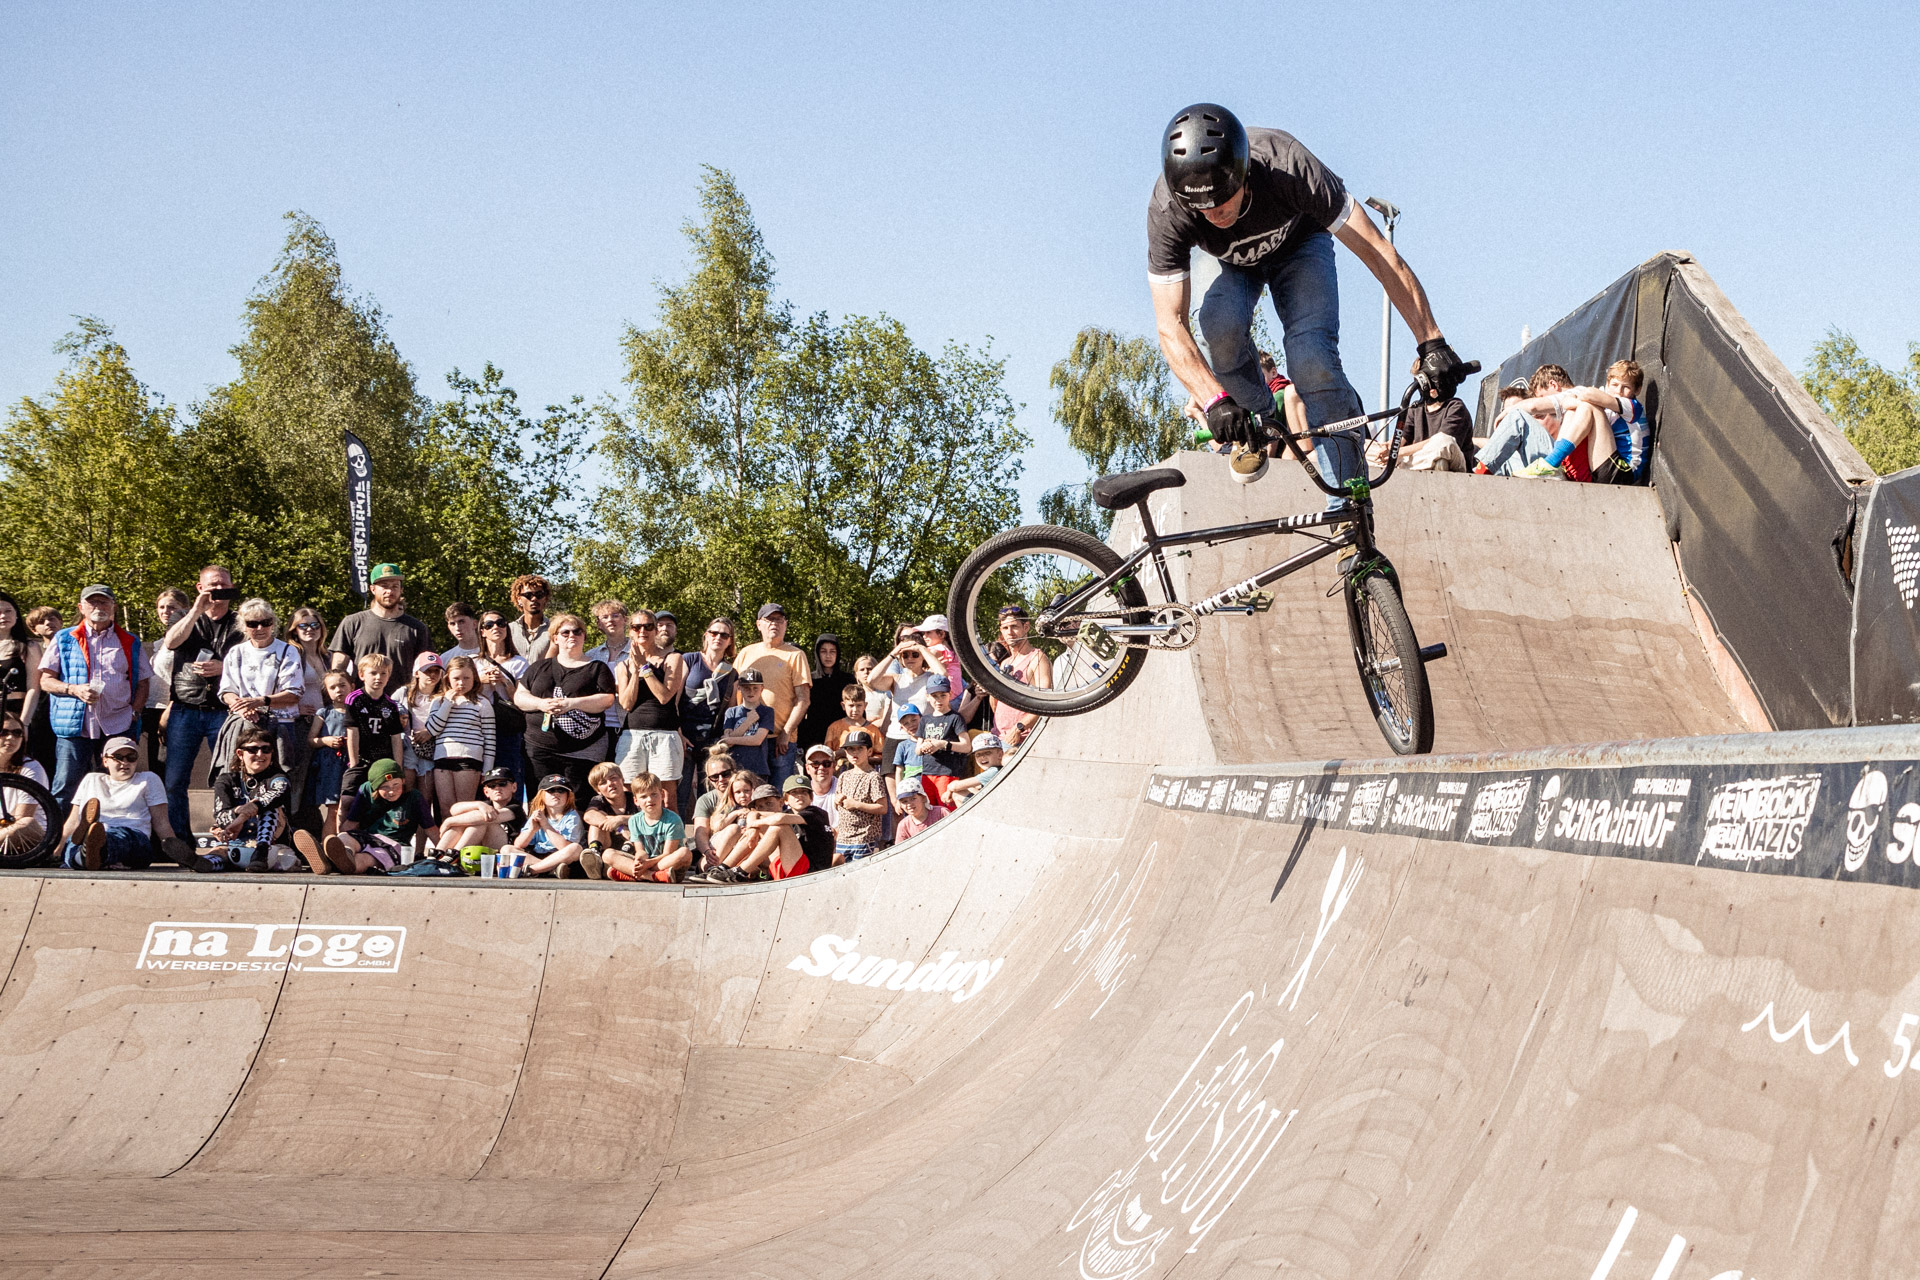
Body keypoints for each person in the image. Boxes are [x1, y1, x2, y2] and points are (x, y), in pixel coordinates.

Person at [1146, 104, 1468, 500]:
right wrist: (1215, 401)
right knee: (1218, 326)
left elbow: (1378, 253)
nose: (1215, 214)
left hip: (1301, 246)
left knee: (1311, 357)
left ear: (1244, 173)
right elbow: (1170, 324)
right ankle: (1258, 423)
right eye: (1203, 207)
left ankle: (1348, 503)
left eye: (1224, 200)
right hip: (1234, 265)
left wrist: (1431, 340)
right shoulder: (1168, 209)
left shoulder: (1289, 164)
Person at [39, 585, 152, 809]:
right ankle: (58, 841)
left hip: (118, 725)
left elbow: (143, 682)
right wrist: (74, 689)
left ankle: (110, 839)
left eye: (104, 602)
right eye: (92, 603)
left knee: (116, 787)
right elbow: (45, 681)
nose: (98, 607)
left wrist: (135, 713)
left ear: (113, 607)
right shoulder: (64, 638)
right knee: (65, 786)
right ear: (82, 608)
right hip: (74, 725)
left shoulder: (130, 641)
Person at [161, 565, 243, 820]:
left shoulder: (242, 621)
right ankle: (179, 841)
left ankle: (228, 834)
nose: (218, 590)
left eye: (223, 585)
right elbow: (171, 642)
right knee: (175, 779)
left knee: (228, 776)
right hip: (186, 708)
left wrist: (223, 667)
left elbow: (254, 659)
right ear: (200, 588)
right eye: (213, 585)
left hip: (224, 709)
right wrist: (196, 610)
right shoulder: (185, 617)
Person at [513, 614, 616, 799]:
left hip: (584, 750)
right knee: (542, 803)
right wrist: (541, 703)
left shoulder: (597, 668)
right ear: (555, 638)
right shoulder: (538, 667)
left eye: (577, 632)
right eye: (565, 632)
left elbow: (607, 700)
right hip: (539, 749)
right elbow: (519, 696)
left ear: (584, 636)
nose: (572, 636)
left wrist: (572, 704)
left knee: (580, 804)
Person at [1512, 359, 1651, 484]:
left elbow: (1589, 394)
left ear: (1637, 390)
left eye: (1626, 387)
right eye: (1614, 385)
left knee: (1589, 405)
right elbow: (1566, 402)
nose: (1618, 391)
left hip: (1624, 473)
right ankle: (1556, 465)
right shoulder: (1606, 403)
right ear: (1607, 384)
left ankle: (1551, 463)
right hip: (1604, 466)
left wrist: (1579, 399)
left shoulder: (1632, 406)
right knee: (1575, 409)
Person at [58, 735, 187, 870]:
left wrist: (180, 855)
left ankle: (89, 853)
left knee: (117, 839)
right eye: (118, 757)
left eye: (131, 757)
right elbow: (73, 821)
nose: (125, 762)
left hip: (133, 835)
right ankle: (91, 854)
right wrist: (56, 851)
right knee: (72, 845)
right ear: (105, 761)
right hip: (96, 831)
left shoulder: (148, 779)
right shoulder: (92, 779)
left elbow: (162, 823)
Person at [217, 598, 305, 790]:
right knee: (239, 779)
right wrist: (241, 707)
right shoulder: (236, 652)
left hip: (279, 725)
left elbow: (294, 693)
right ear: (244, 626)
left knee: (280, 781)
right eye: (252, 624)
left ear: (273, 623)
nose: (259, 628)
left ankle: (279, 819)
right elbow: (226, 691)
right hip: (245, 725)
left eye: (265, 622)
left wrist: (259, 702)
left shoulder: (288, 651)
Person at [305, 758, 438, 874]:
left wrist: (445, 853)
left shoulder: (414, 797)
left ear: (403, 780)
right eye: (384, 787)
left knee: (366, 859)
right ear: (375, 787)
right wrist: (339, 838)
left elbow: (431, 830)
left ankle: (333, 864)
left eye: (395, 785)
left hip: (394, 844)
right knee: (346, 838)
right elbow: (352, 823)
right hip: (367, 836)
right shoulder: (366, 790)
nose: (391, 791)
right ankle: (341, 856)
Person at [199, 727, 299, 873]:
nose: (260, 754)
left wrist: (243, 815)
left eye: (266, 749)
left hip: (272, 847)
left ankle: (261, 850)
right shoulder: (226, 780)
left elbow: (275, 795)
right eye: (253, 750)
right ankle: (199, 863)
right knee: (217, 855)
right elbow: (221, 816)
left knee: (270, 806)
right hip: (236, 846)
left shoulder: (279, 778)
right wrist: (237, 812)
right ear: (240, 753)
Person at [734, 603, 810, 786]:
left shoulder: (796, 655)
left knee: (778, 795)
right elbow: (732, 692)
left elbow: (803, 699)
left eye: (779, 619)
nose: (774, 623)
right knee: (748, 793)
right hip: (748, 737)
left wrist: (786, 732)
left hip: (780, 740)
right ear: (759, 624)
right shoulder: (746, 653)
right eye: (769, 619)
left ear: (785, 624)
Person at [614, 609, 687, 787]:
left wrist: (645, 668)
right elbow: (626, 704)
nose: (642, 631)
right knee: (631, 792)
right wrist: (635, 670)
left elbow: (664, 697)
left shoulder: (673, 658)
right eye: (637, 627)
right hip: (632, 734)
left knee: (666, 795)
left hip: (665, 735)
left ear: (655, 630)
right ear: (630, 631)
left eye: (648, 626)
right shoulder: (623, 665)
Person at [677, 617, 736, 818]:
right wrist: (678, 732)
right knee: (679, 794)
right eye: (714, 633)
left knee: (712, 795)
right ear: (706, 635)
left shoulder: (731, 672)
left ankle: (709, 843)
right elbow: (674, 700)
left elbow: (731, 709)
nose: (718, 637)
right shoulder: (689, 659)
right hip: (684, 735)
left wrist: (726, 737)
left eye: (724, 635)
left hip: (712, 739)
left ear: (730, 641)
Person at [1374, 356, 1476, 472]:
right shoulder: (1415, 408)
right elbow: (1401, 438)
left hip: (1453, 465)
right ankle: (1394, 464)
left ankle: (1397, 465)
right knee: (1365, 446)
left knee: (1443, 442)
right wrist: (1387, 447)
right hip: (1418, 460)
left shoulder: (1456, 407)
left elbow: (1439, 443)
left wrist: (1395, 453)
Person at [331, 563, 432, 681]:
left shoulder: (417, 628)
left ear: (401, 590)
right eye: (384, 586)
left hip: (402, 698)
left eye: (395, 586)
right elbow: (338, 667)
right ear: (372, 589)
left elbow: (427, 669)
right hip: (362, 697)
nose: (389, 591)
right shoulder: (352, 622)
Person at [423, 655, 495, 819]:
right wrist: (447, 703)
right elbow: (433, 729)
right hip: (443, 757)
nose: (461, 683)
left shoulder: (482, 703)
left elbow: (490, 739)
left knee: (464, 807)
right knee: (445, 808)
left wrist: (487, 769)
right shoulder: (439, 701)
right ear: (448, 678)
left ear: (474, 678)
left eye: (466, 678)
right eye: (456, 678)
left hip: (468, 760)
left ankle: (464, 844)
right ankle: (448, 844)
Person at [586, 771, 689, 883]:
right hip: (647, 865)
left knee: (684, 853)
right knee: (607, 854)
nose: (649, 800)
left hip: (666, 865)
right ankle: (651, 876)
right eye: (643, 797)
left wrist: (646, 864)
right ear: (636, 801)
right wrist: (639, 859)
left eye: (654, 794)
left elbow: (668, 853)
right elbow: (640, 850)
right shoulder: (635, 820)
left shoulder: (672, 820)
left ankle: (633, 874)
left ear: (662, 794)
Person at [1476, 367, 1574, 478]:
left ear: (1553, 385)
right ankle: (1477, 479)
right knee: (1506, 457)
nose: (1541, 401)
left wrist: (1509, 411)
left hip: (1560, 469)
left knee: (1517, 416)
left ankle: (1477, 476)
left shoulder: (1575, 395)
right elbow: (1495, 445)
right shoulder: (1567, 408)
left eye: (1541, 397)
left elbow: (1533, 406)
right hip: (1548, 468)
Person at [698, 782, 806, 883]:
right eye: (760, 807)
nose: (765, 810)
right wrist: (753, 828)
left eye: (769, 803)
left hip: (803, 870)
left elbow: (778, 818)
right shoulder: (765, 820)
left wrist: (754, 824)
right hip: (777, 868)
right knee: (749, 834)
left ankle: (740, 871)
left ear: (781, 802)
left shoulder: (807, 814)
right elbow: (752, 815)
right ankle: (721, 869)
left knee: (778, 828)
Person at [283, 605, 333, 813]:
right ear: (294, 629)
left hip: (323, 724)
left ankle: (309, 823)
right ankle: (289, 823)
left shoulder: (326, 656)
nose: (309, 629)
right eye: (303, 626)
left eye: (315, 625)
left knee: (316, 777)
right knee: (297, 776)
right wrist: (295, 707)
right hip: (298, 724)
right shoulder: (291, 653)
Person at [474, 609, 528, 789]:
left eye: (501, 623)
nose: (495, 627)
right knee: (482, 778)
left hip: (507, 727)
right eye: (489, 625)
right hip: (478, 726)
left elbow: (522, 699)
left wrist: (504, 682)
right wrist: (480, 681)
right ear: (482, 631)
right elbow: (463, 694)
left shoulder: (519, 663)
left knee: (509, 776)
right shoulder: (473, 662)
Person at [869, 628, 939, 768]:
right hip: (895, 736)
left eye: (915, 654)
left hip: (922, 739)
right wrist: (893, 653)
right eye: (905, 655)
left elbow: (942, 674)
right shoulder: (896, 679)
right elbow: (872, 680)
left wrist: (922, 649)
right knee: (890, 781)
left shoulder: (931, 678)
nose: (910, 658)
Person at [342, 653, 406, 799]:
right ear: (362, 675)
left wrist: (398, 767)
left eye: (383, 673)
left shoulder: (391, 705)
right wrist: (354, 764)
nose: (379, 677)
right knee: (348, 800)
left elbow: (396, 738)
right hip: (361, 759)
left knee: (379, 800)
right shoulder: (354, 699)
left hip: (383, 761)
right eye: (373, 673)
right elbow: (352, 732)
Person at [989, 606, 1052, 751]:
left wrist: (1019, 728)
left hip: (1021, 739)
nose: (1009, 632)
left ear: (1026, 627)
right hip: (998, 737)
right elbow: (996, 704)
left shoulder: (1037, 657)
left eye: (1014, 627)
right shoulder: (1005, 662)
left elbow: (1045, 702)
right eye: (1005, 628)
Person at [142, 588, 190, 776]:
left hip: (172, 711)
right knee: (155, 769)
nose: (165, 611)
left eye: (172, 607)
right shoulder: (158, 644)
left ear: (185, 609)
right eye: (161, 607)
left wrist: (169, 712)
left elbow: (185, 679)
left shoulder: (187, 640)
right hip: (151, 709)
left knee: (167, 771)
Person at [0, 593, 47, 777]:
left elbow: (34, 687)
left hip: (17, 710)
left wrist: (24, 722)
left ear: (17, 615)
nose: (3, 616)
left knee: (20, 765)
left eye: (8, 611)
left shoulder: (29, 646)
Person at [907, 675, 972, 808]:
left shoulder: (955, 717)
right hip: (927, 773)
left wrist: (942, 744)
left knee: (947, 810)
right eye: (934, 696)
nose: (939, 700)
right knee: (929, 810)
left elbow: (966, 746)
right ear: (927, 696)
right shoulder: (925, 719)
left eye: (943, 695)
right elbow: (917, 750)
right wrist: (925, 746)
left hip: (947, 773)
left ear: (950, 694)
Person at [830, 730, 888, 863]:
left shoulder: (873, 776)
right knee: (840, 873)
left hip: (864, 838)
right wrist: (837, 800)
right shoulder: (844, 775)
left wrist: (857, 805)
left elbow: (882, 807)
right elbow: (837, 804)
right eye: (850, 749)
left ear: (869, 751)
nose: (854, 753)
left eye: (859, 749)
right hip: (843, 838)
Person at [438, 767, 525, 855]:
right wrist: (479, 804)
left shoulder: (516, 807)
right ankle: (437, 856)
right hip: (484, 849)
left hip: (505, 851)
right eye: (492, 785)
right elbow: (454, 809)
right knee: (464, 823)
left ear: (514, 787)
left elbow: (485, 817)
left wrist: (449, 821)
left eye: (502, 784)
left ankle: (454, 856)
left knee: (481, 822)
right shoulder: (485, 805)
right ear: (486, 792)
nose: (497, 788)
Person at [0, 711, 49, 863]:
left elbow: (22, 816)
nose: (11, 738)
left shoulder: (31, 768)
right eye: (4, 732)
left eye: (17, 733)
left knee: (26, 823)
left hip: (25, 837)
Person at [515, 774, 587, 876]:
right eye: (551, 790)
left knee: (575, 848)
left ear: (568, 796)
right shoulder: (538, 814)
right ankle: (550, 870)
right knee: (507, 849)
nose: (556, 794)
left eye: (561, 791)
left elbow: (565, 847)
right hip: (538, 855)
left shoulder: (572, 816)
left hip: (561, 857)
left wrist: (545, 825)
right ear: (542, 795)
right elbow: (518, 845)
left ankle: (532, 870)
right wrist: (532, 830)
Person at [309, 670, 352, 836]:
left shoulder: (358, 712)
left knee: (350, 808)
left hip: (350, 764)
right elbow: (311, 740)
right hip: (330, 767)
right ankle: (328, 848)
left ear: (352, 686)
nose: (338, 690)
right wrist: (326, 741)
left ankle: (347, 847)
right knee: (334, 810)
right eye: (333, 687)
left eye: (342, 685)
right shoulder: (324, 713)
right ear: (327, 691)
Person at [22, 606, 61, 771]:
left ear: (60, 622)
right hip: (41, 712)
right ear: (34, 630)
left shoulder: (75, 646)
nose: (48, 623)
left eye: (52, 619)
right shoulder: (34, 651)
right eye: (41, 621)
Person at [800, 633, 854, 748]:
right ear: (817, 653)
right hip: (814, 737)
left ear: (837, 653)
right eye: (823, 651)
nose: (828, 656)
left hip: (843, 735)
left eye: (832, 651)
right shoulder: (809, 679)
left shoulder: (848, 679)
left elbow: (857, 707)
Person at [721, 669, 776, 779]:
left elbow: (757, 740)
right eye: (746, 688)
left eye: (755, 688)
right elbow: (728, 744)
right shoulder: (731, 712)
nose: (751, 692)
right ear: (739, 688)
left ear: (762, 689)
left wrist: (731, 739)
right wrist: (748, 722)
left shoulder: (767, 712)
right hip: (734, 769)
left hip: (758, 769)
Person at [688, 753, 741, 864]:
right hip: (715, 849)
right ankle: (715, 867)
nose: (721, 779)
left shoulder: (747, 794)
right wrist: (707, 852)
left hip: (742, 846)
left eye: (725, 774)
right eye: (715, 777)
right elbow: (701, 833)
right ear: (709, 779)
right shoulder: (706, 800)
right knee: (733, 829)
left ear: (734, 772)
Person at [580, 760, 636, 858]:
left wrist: (621, 819)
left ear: (622, 780)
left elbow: (649, 817)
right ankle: (594, 854)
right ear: (598, 790)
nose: (610, 784)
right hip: (608, 844)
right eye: (603, 783)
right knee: (597, 820)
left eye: (613, 778)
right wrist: (621, 828)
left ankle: (626, 854)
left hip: (633, 842)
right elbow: (588, 815)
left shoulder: (634, 798)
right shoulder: (598, 800)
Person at [944, 734, 1006, 805]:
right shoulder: (993, 770)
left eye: (987, 753)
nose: (982, 757)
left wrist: (949, 790)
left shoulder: (995, 771)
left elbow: (954, 786)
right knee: (967, 788)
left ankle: (968, 816)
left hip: (997, 807)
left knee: (958, 794)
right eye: (978, 755)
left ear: (1000, 754)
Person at [824, 682, 883, 751]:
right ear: (843, 706)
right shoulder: (834, 728)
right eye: (851, 706)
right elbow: (828, 754)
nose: (855, 710)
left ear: (865, 705)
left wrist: (864, 758)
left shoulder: (873, 731)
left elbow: (880, 756)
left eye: (859, 705)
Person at [508, 574, 553, 661]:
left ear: (545, 598)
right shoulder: (508, 630)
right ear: (519, 599)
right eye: (528, 595)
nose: (534, 599)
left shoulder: (555, 629)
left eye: (539, 594)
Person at [801, 743, 837, 816]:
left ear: (834, 766)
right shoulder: (801, 792)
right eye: (815, 764)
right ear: (807, 768)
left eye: (826, 763)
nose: (821, 768)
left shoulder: (844, 788)